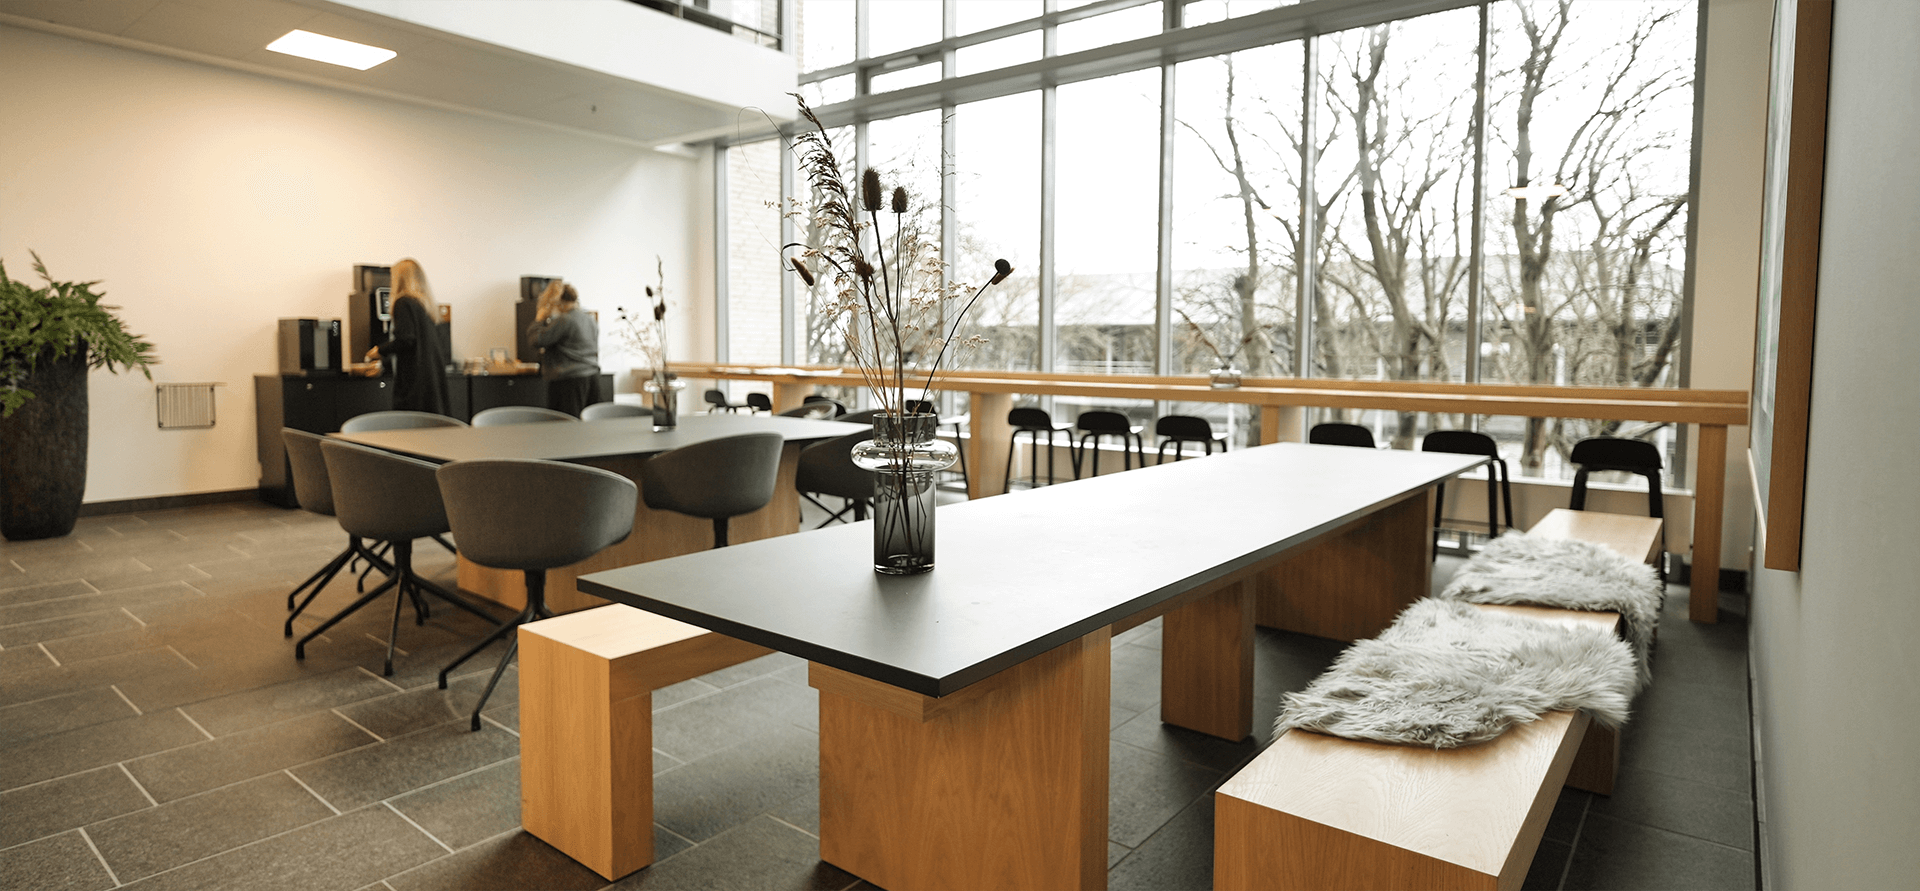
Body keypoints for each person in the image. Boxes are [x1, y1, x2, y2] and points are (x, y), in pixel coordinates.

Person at [364, 258, 451, 416]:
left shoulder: (402, 302)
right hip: (430, 379)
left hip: (415, 382)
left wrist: (380, 350)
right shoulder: (425, 305)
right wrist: (385, 362)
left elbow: (406, 339)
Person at [528, 280, 602, 416]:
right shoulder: (589, 319)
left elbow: (537, 340)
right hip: (592, 376)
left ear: (559, 301)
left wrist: (539, 320)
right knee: (588, 424)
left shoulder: (565, 320)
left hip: (569, 380)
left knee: (565, 424)